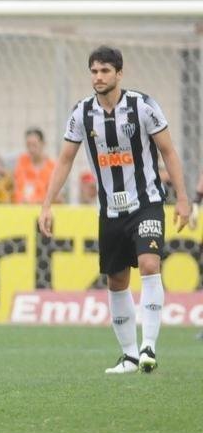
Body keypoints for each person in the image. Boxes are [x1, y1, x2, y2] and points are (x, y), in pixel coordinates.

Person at [39, 46, 190, 375]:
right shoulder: (81, 113)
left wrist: (182, 198)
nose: (98, 77)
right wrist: (47, 204)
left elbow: (168, 151)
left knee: (150, 264)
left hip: (147, 202)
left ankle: (149, 345)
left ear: (119, 74)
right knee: (117, 279)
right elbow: (65, 159)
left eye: (105, 71)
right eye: (93, 71)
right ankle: (129, 356)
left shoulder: (143, 107)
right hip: (110, 210)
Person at [13, 127, 55, 204]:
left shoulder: (52, 167)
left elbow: (56, 197)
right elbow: (18, 190)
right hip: (23, 209)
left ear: (43, 144)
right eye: (28, 145)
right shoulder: (21, 162)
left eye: (34, 145)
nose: (31, 149)